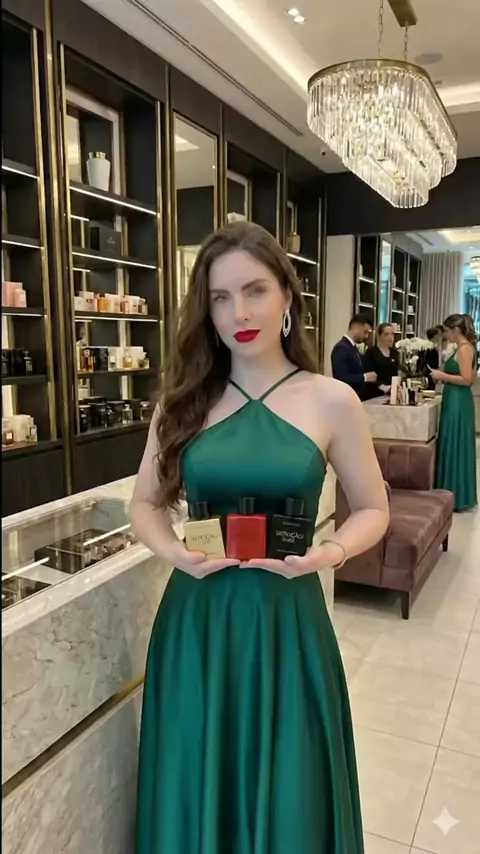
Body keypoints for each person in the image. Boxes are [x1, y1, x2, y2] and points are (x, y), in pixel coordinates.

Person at [131, 222, 389, 854]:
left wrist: (329, 554)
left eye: (254, 291)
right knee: (201, 773)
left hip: (287, 618)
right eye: (220, 298)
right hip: (198, 621)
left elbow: (373, 508)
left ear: (287, 298)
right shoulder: (182, 402)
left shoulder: (331, 400)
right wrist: (174, 554)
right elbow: (144, 504)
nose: (239, 313)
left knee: (290, 783)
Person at [431, 313, 477, 511]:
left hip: (458, 401)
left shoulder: (465, 349)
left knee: (455, 442)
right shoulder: (464, 347)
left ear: (456, 330)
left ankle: (453, 495)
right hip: (455, 399)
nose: (446, 335)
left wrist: (442, 375)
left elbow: (467, 379)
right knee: (453, 442)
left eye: (447, 331)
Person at [331, 314, 376, 399]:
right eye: (365, 332)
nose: (366, 336)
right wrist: (365, 377)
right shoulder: (341, 348)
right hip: (346, 398)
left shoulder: (352, 347)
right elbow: (341, 377)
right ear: (356, 327)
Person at [363, 322, 400, 397]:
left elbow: (395, 373)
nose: (390, 337)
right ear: (379, 336)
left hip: (391, 393)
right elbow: (369, 374)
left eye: (392, 334)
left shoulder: (394, 352)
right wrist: (382, 387)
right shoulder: (371, 352)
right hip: (375, 393)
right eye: (386, 334)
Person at [422, 326, 442, 390]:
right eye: (439, 335)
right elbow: (430, 365)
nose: (440, 337)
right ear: (435, 336)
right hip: (430, 376)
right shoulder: (431, 350)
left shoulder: (426, 348)